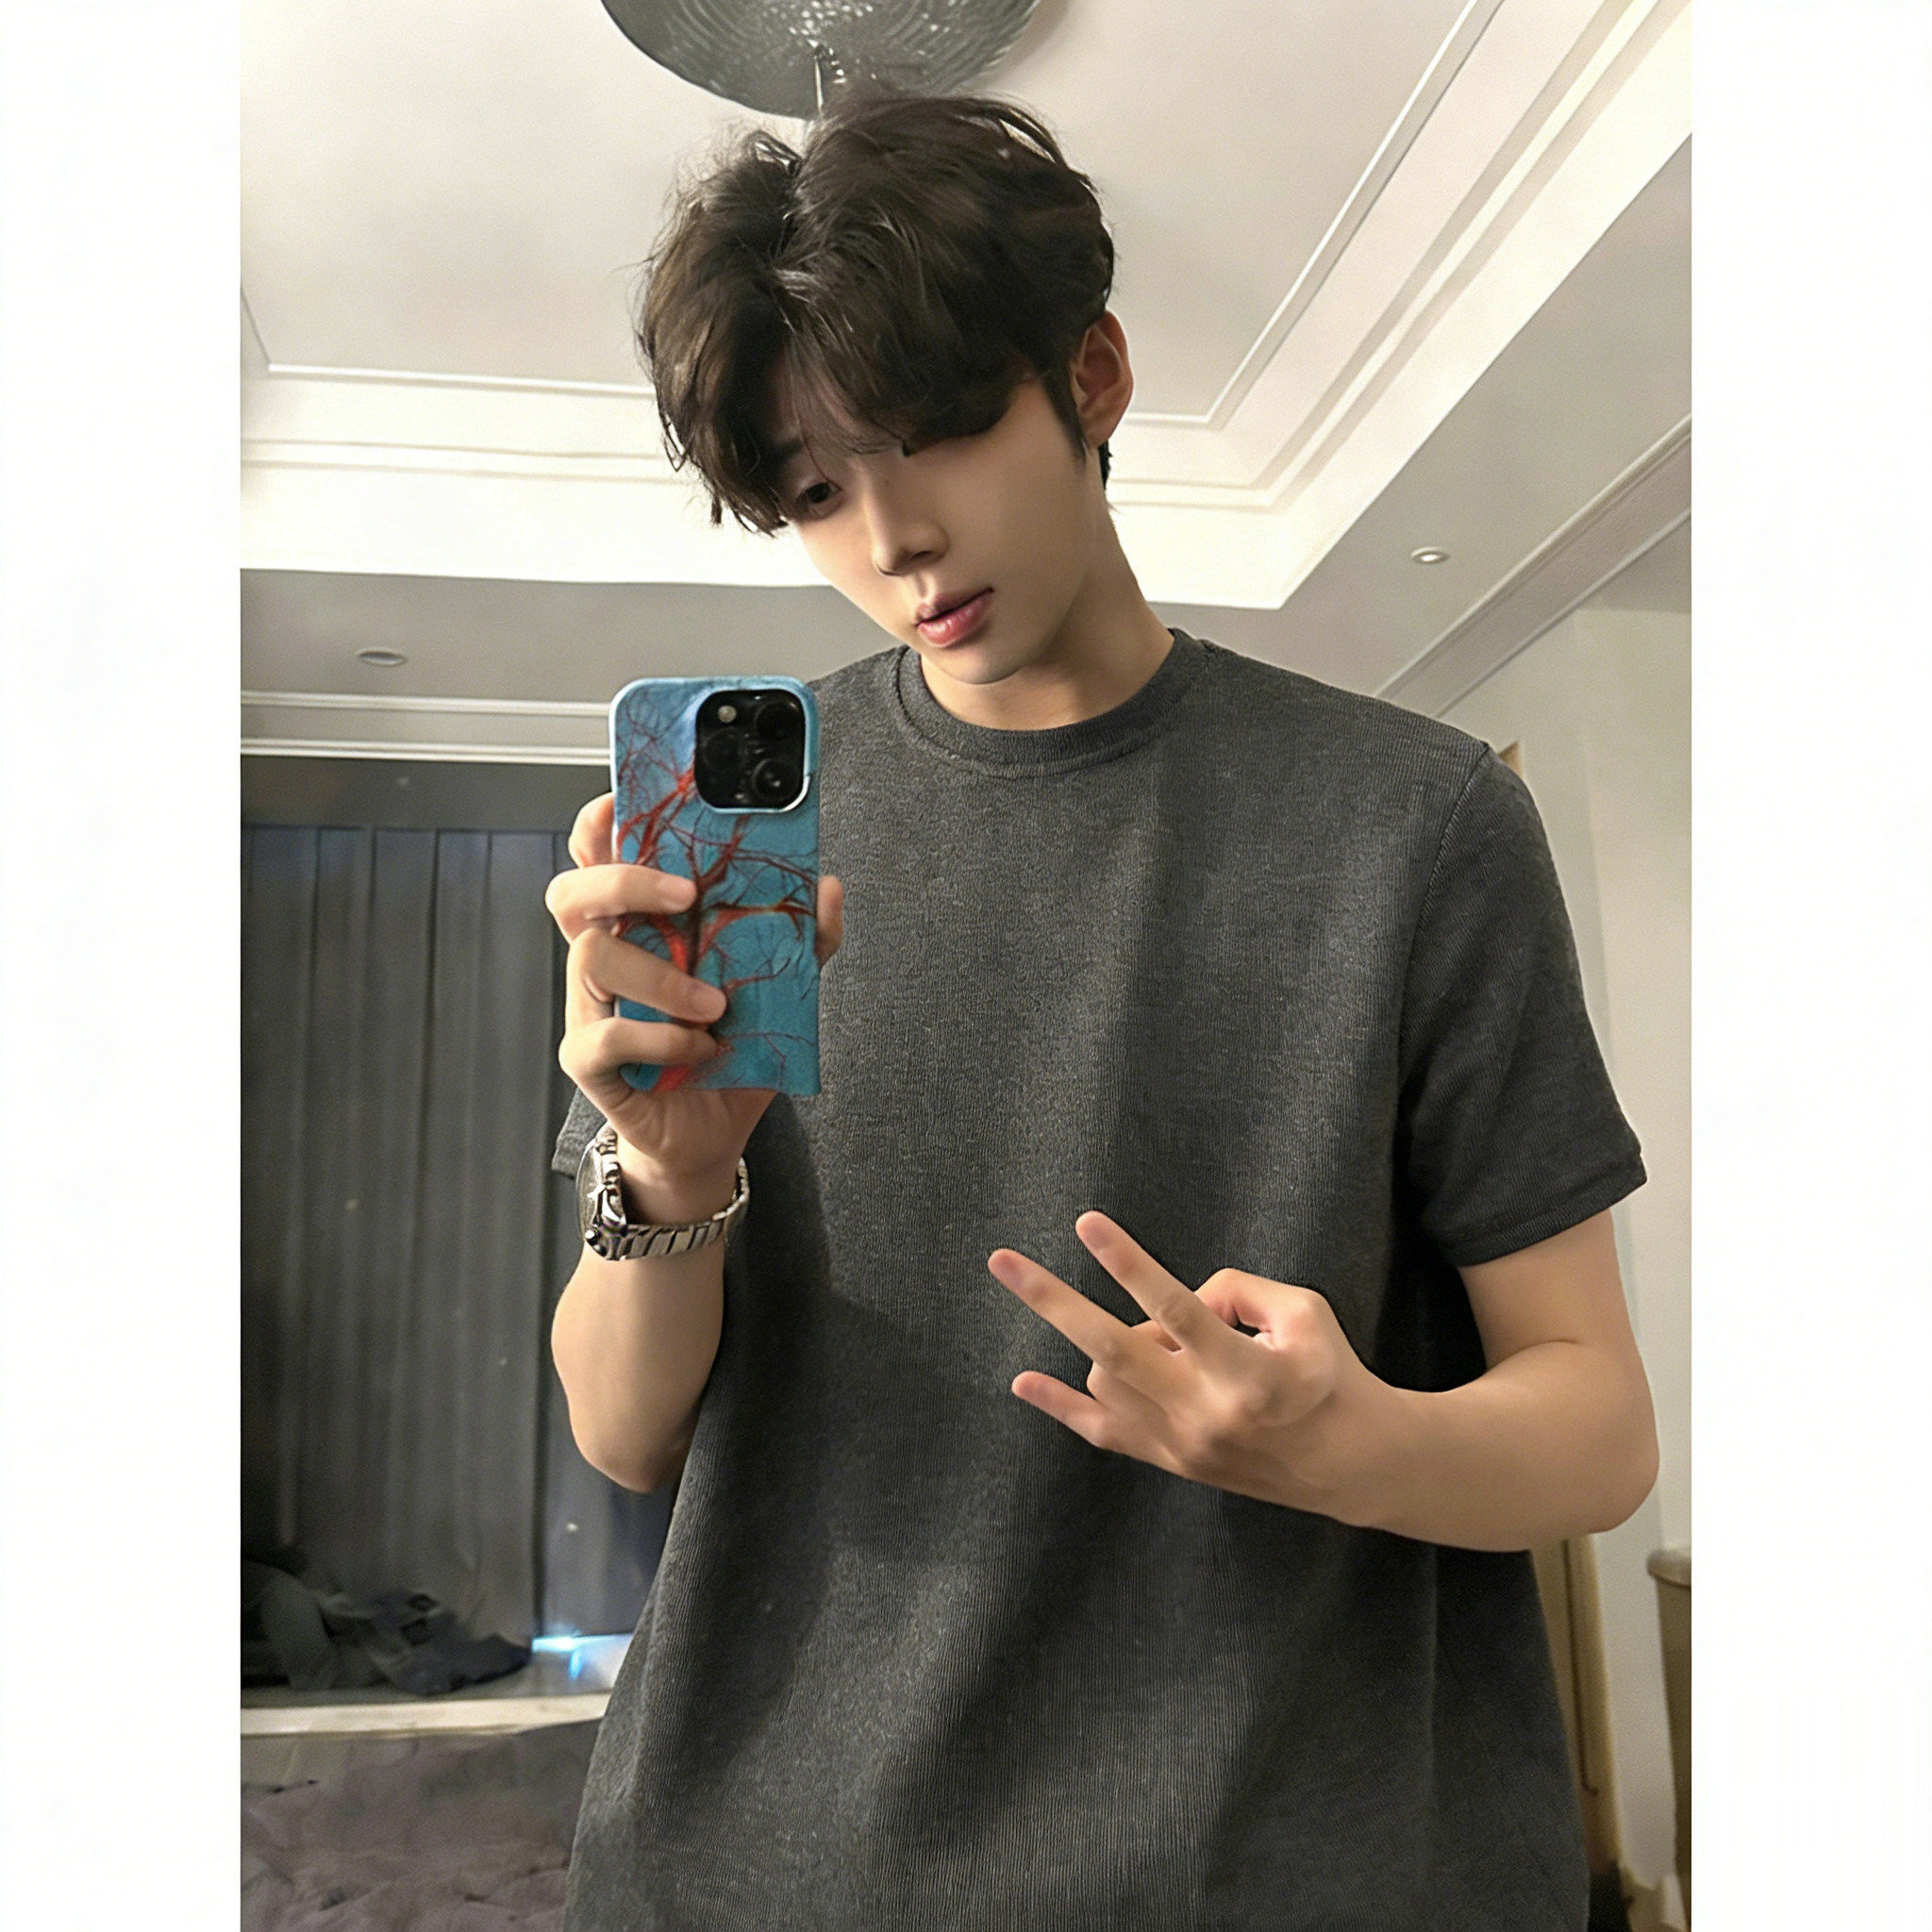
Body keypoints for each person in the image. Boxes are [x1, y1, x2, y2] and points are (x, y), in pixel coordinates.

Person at [542, 87, 1657, 1932]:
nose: (895, 534)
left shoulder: (1417, 826)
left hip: (1289, 1873)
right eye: (814, 489)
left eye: (937, 431)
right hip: (765, 1872)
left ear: (1095, 373)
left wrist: (1342, 1440)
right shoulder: (743, 853)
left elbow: (1598, 1430)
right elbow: (624, 1432)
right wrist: (667, 1179)